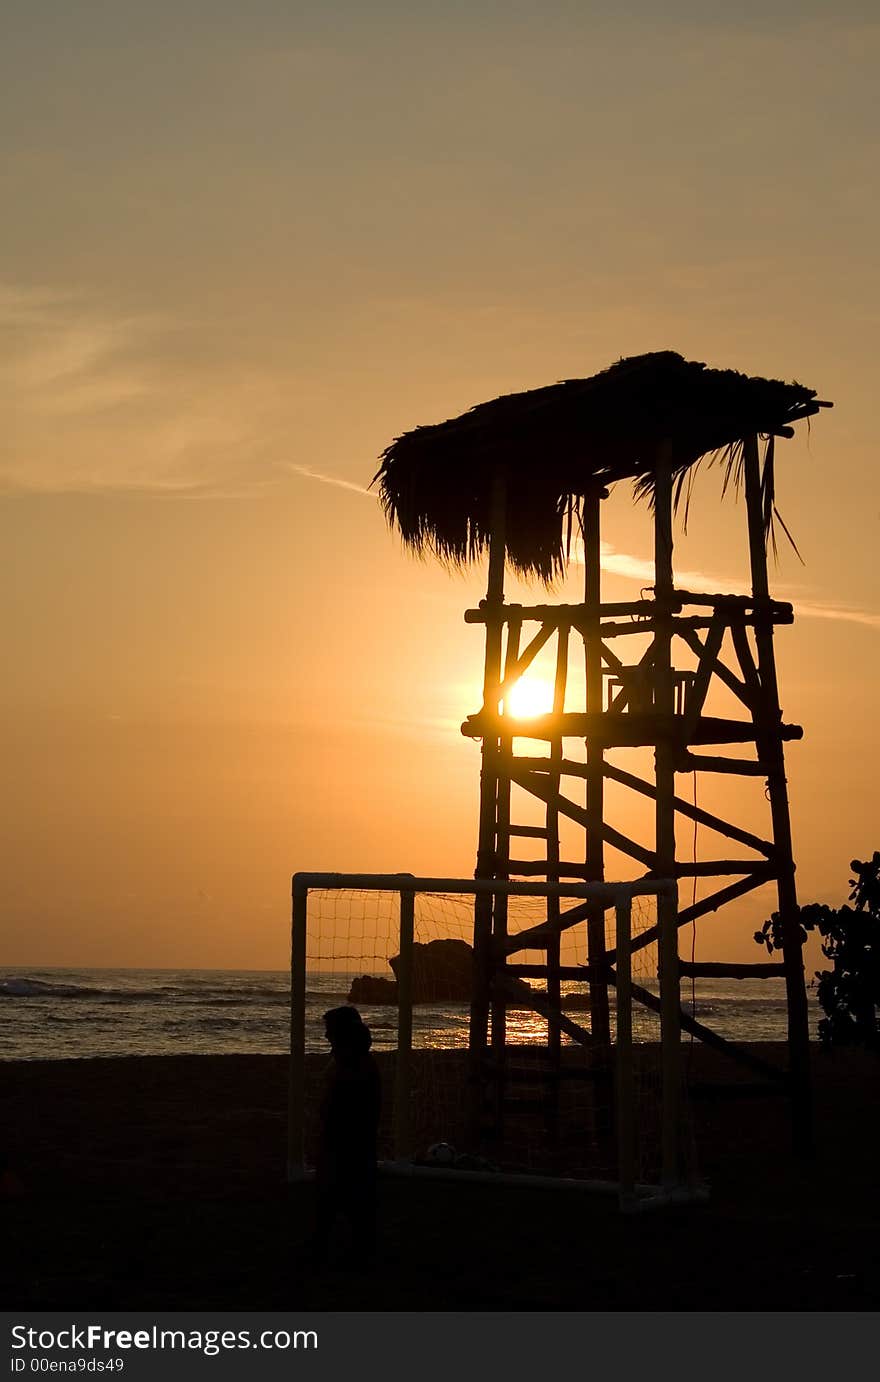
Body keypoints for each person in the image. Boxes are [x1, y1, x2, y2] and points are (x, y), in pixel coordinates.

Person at [311, 1005, 381, 1265]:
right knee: (344, 1197)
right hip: (347, 1141)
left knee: (343, 1194)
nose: (326, 1036)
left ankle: (339, 1246)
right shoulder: (352, 1060)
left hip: (347, 1142)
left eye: (330, 1031)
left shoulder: (353, 1067)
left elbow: (344, 1109)